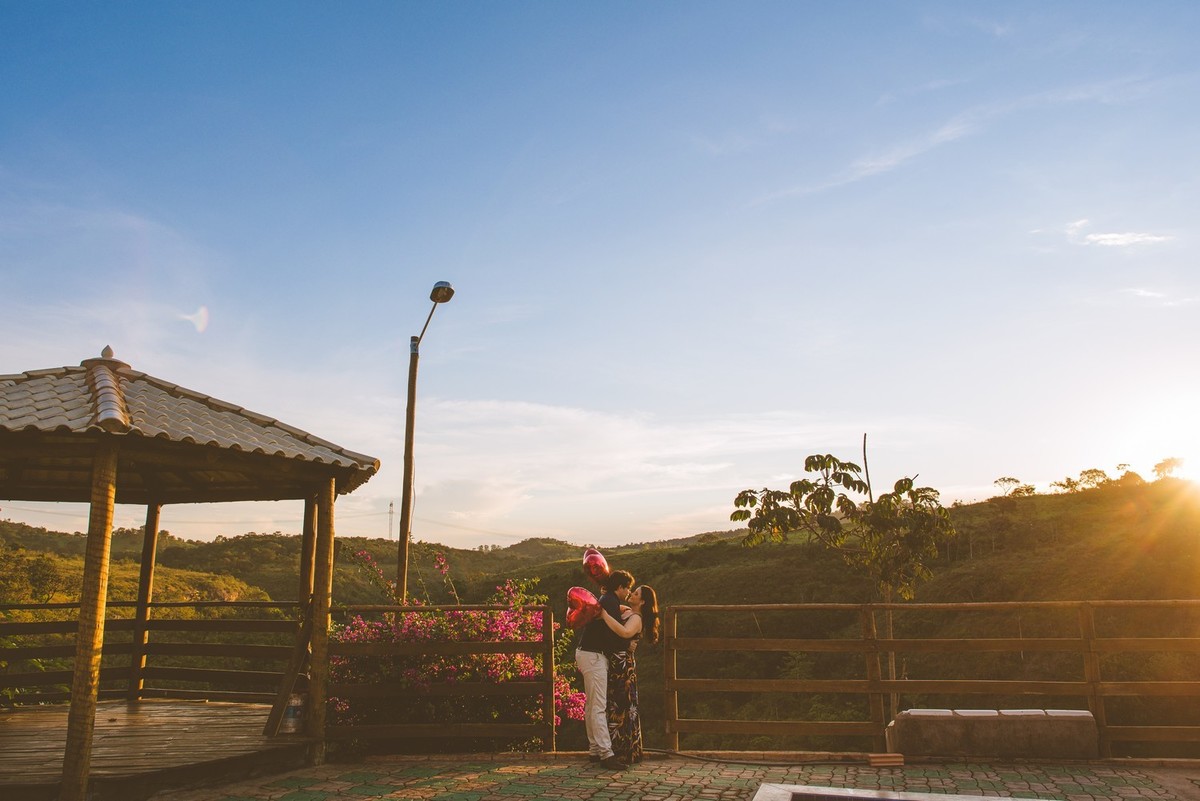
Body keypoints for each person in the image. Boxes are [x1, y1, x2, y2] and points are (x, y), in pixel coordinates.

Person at [574, 569, 635, 769]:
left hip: (586, 653)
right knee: (598, 706)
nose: (628, 592)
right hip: (593, 656)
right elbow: (613, 635)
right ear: (620, 587)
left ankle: (594, 749)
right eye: (628, 588)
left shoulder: (607, 599)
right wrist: (628, 645)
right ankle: (606, 754)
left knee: (592, 705)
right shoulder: (610, 601)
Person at [598, 584, 660, 766]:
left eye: (636, 593)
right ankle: (614, 749)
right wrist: (606, 594)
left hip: (623, 666)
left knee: (623, 706)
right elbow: (612, 604)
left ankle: (624, 752)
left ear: (642, 601)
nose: (631, 593)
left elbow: (624, 632)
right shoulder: (626, 611)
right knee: (615, 706)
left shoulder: (637, 619)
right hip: (616, 663)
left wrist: (603, 615)